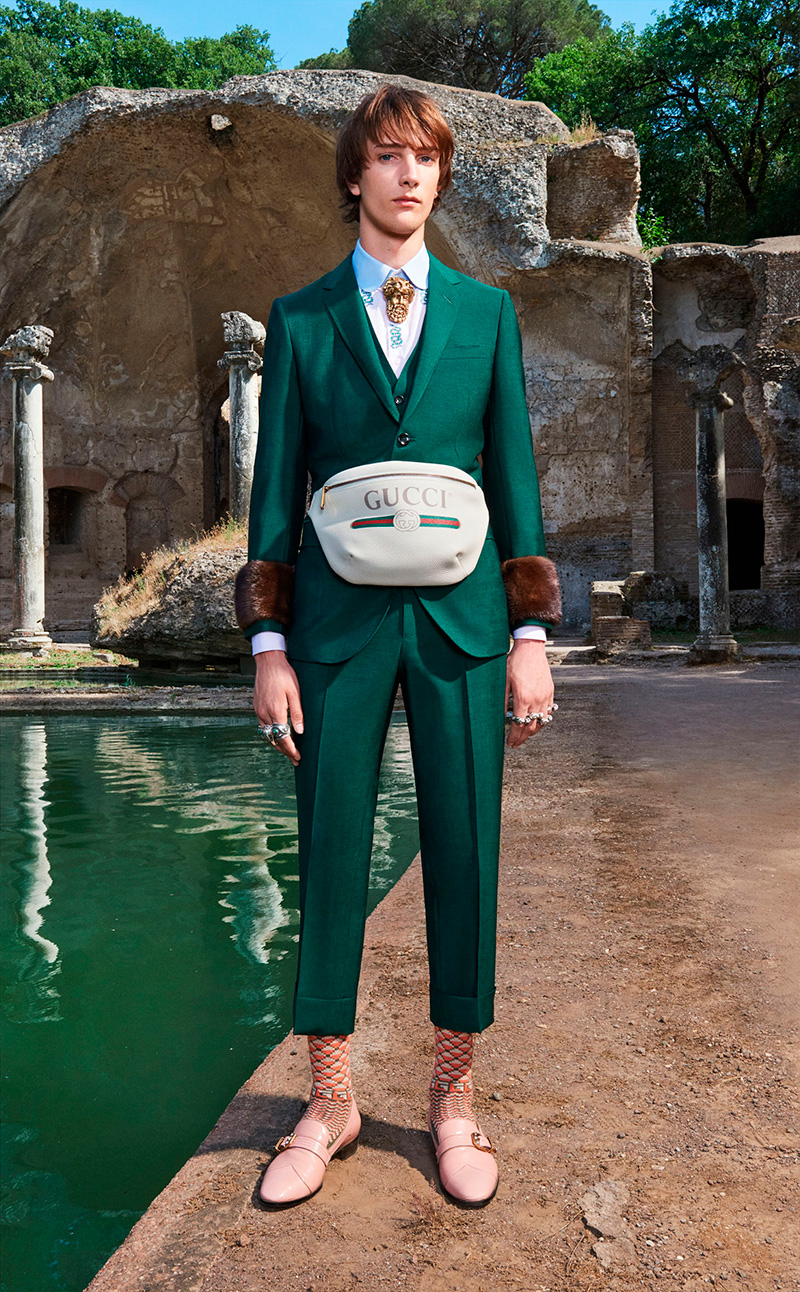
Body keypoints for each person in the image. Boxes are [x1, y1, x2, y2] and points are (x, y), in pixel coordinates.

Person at [235, 83, 561, 1210]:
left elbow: (514, 475)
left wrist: (529, 631)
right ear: (353, 175)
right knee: (328, 849)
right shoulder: (300, 319)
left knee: (464, 847)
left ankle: (452, 1097)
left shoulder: (487, 313)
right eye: (385, 155)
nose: (407, 172)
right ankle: (327, 1099)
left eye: (423, 156)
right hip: (333, 624)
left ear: (441, 174)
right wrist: (268, 644)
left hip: (464, 620)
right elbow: (274, 492)